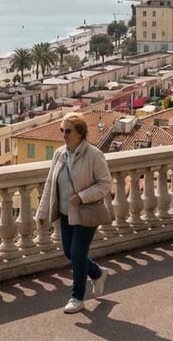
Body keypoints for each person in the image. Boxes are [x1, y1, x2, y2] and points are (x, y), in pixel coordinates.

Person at [35, 114, 116, 314]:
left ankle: (77, 297)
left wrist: (82, 196)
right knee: (69, 253)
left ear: (80, 133)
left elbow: (105, 184)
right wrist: (42, 212)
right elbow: (49, 185)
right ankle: (98, 273)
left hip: (86, 213)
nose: (64, 135)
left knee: (78, 253)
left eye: (68, 131)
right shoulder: (59, 154)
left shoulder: (94, 155)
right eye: (62, 130)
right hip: (65, 214)